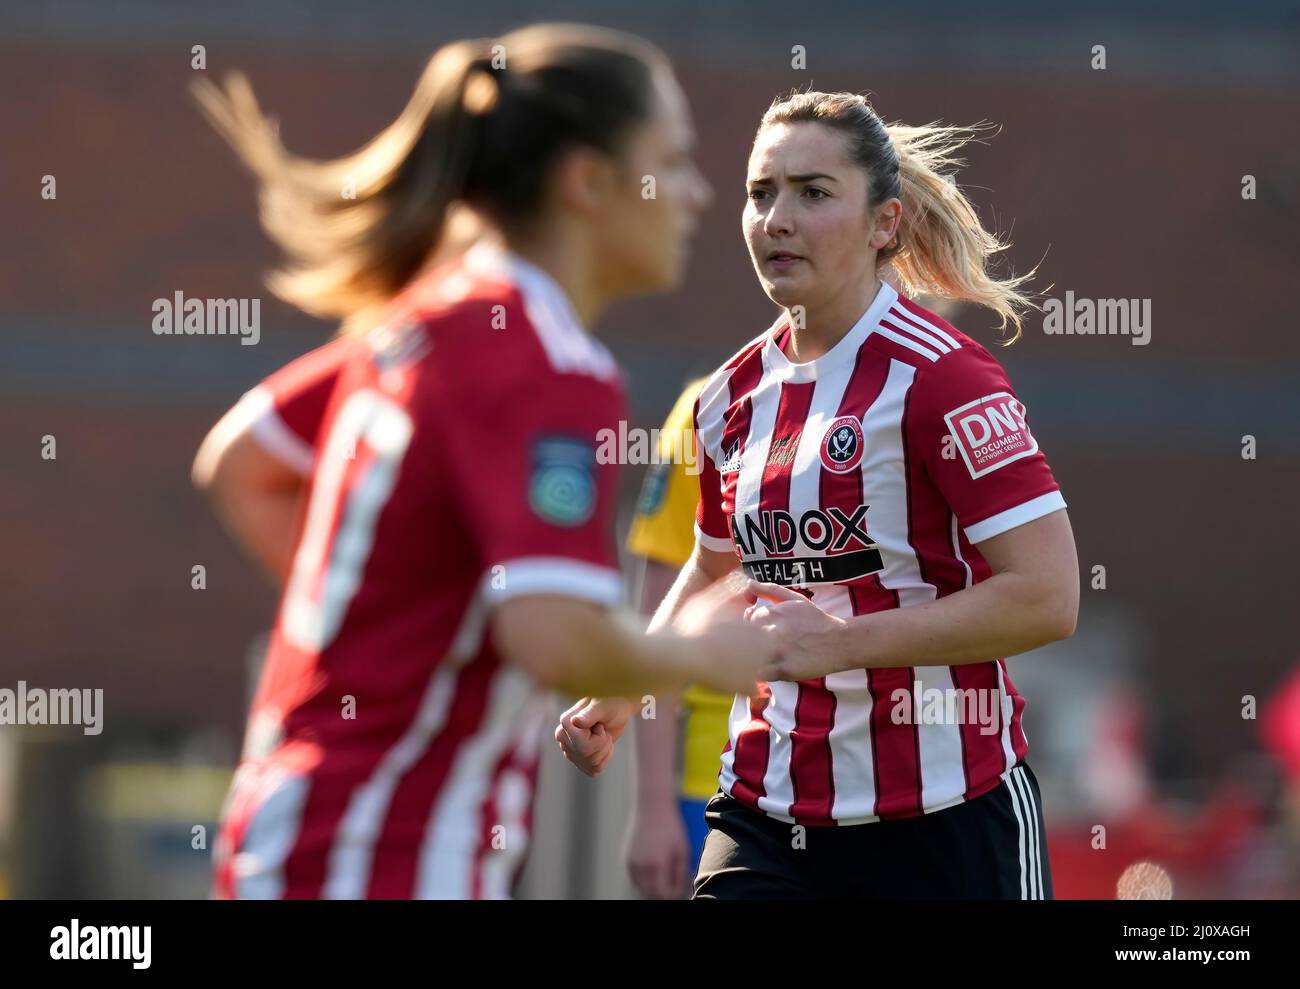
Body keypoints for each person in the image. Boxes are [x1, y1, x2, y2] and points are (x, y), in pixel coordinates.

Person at [193, 23, 774, 900]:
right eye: (675, 160)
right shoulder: (548, 361)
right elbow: (556, 635)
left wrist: (409, 633)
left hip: (304, 824)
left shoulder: (428, 318)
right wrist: (710, 650)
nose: (696, 195)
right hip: (381, 848)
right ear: (587, 180)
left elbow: (243, 465)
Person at [556, 91, 1079, 899]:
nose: (776, 218)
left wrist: (837, 642)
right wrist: (627, 687)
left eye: (814, 192)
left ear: (885, 224)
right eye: (762, 193)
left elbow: (1049, 598)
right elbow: (711, 567)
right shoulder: (725, 396)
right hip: (769, 812)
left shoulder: (944, 378)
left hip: (945, 813)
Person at [621, 377, 733, 898]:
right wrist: (652, 805)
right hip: (714, 785)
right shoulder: (708, 406)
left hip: (880, 779)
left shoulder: (921, 388)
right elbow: (658, 627)